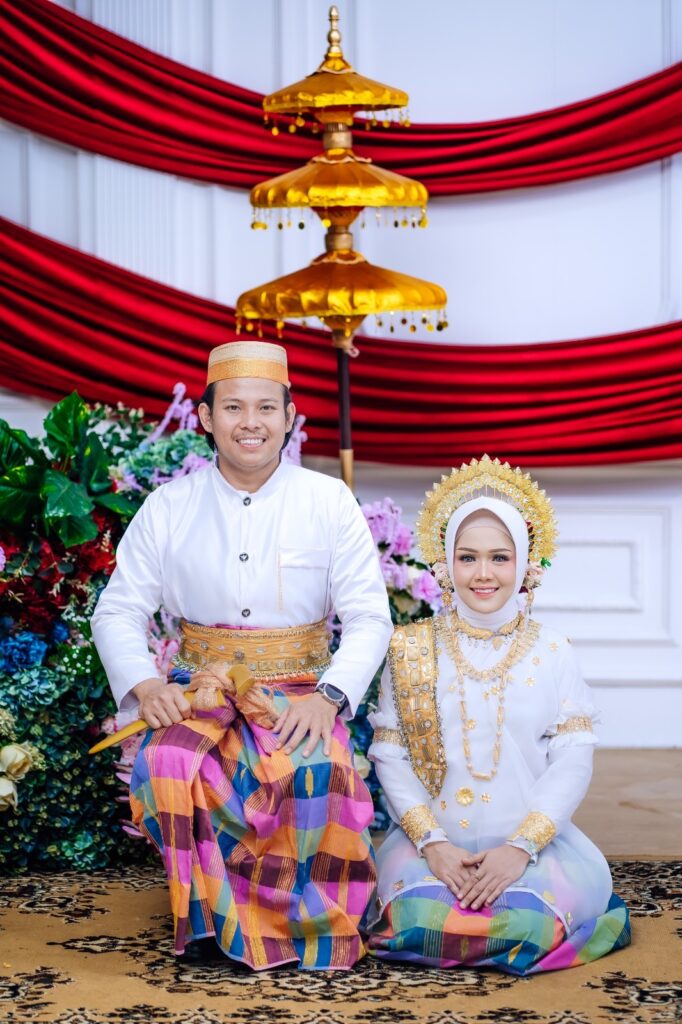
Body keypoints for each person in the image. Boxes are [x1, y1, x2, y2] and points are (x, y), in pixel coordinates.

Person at [91, 340, 393, 971]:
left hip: (300, 688)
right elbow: (117, 610)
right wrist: (147, 687)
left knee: (315, 768)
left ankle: (304, 921)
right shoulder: (169, 506)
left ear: (289, 417)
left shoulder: (328, 500)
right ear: (206, 417)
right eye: (232, 407)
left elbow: (369, 616)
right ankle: (209, 919)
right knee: (170, 761)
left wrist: (329, 698)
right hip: (200, 688)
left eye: (265, 407)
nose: (249, 422)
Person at [366, 455, 630, 974]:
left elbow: (573, 760)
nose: (483, 574)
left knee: (528, 925)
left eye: (499, 558)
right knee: (418, 921)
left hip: (535, 848)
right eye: (467, 558)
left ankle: (525, 900)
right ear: (445, 564)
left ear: (525, 563)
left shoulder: (552, 651)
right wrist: (434, 845)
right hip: (431, 847)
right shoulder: (410, 649)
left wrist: (520, 849)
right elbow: (389, 757)